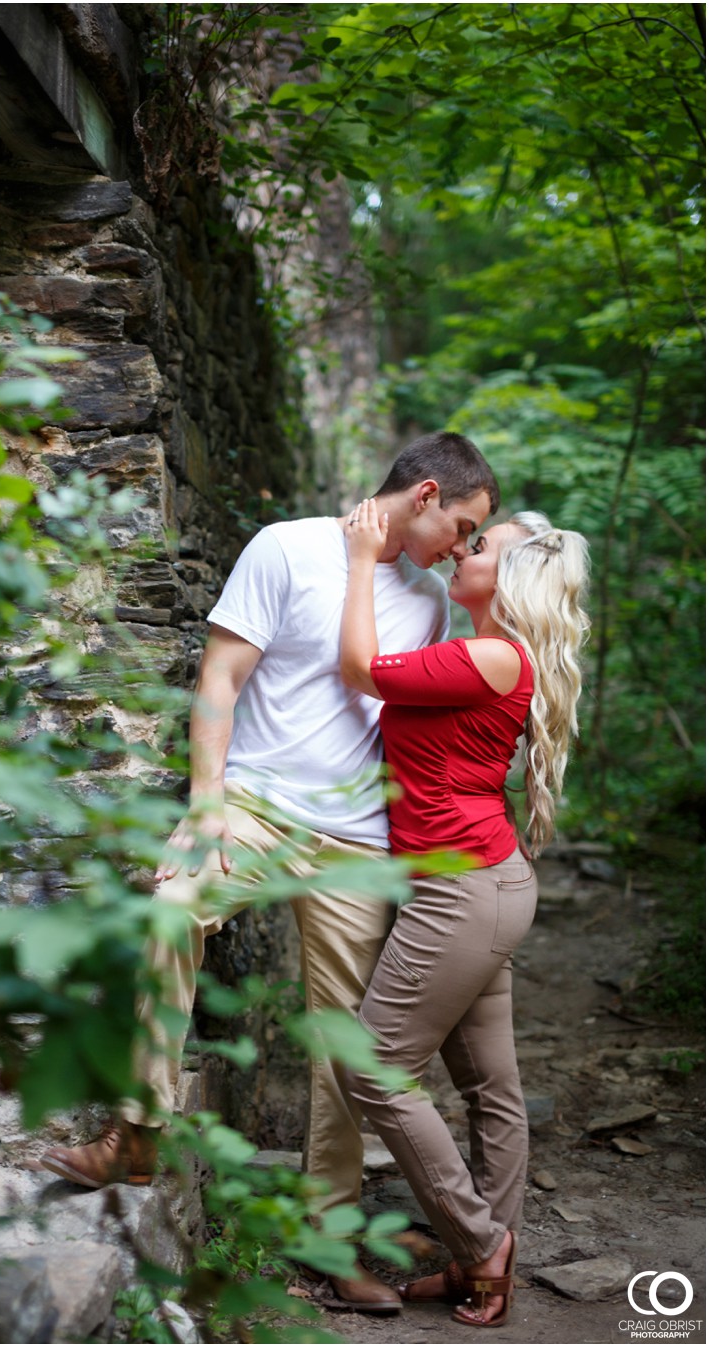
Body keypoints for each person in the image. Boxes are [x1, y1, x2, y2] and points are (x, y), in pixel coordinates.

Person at [41, 431, 500, 1314]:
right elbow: (222, 671)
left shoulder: (431, 597)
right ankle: (137, 1132)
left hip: (356, 839)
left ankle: (326, 1232)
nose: (464, 547)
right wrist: (206, 803)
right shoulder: (284, 546)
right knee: (169, 911)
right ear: (428, 493)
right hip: (252, 809)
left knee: (344, 1039)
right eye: (465, 525)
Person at [338, 497, 589, 1327]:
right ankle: (486, 1260)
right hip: (483, 883)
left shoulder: (490, 655)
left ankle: (480, 1245)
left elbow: (363, 669)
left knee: (370, 1066)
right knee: (491, 1085)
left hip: (463, 892)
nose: (461, 550)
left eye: (478, 545)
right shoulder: (494, 652)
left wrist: (363, 561)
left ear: (507, 577)